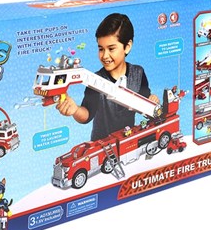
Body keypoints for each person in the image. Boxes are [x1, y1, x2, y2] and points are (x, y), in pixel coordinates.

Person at [56, 13, 159, 141]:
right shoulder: (95, 80)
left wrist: (152, 100)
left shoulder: (138, 73)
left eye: (111, 49)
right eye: (101, 49)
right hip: (101, 144)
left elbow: (145, 102)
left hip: (127, 140)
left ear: (127, 47)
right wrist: (75, 110)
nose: (104, 56)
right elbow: (87, 114)